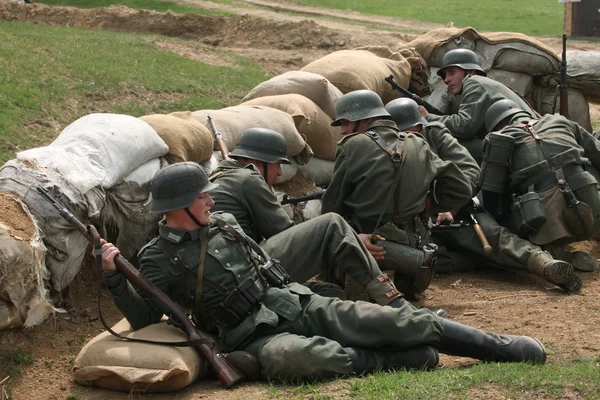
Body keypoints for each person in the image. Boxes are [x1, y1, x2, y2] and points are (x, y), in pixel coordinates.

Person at [101, 162, 546, 383]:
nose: (212, 201)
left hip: (294, 301)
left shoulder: (226, 224)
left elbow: (269, 261)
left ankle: (501, 348)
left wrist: (324, 290)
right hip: (252, 335)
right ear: (180, 207)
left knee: (391, 320)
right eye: (203, 197)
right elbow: (145, 319)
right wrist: (114, 276)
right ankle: (396, 360)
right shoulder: (158, 258)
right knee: (297, 359)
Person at [385, 98, 582, 293]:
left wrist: (449, 206)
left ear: (420, 128)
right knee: (426, 257)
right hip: (410, 222)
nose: (407, 140)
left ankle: (545, 264)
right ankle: (474, 262)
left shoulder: (435, 134)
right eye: (400, 134)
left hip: (452, 211)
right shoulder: (380, 148)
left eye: (411, 133)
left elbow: (470, 171)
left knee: (494, 238)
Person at [208, 127, 405, 307]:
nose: (278, 173)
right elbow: (286, 233)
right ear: (259, 162)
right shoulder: (247, 179)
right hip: (246, 275)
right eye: (277, 165)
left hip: (233, 278)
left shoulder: (218, 178)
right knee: (332, 223)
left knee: (331, 293)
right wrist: (349, 238)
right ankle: (393, 301)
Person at [321, 90, 473, 297]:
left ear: (366, 120)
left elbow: (333, 206)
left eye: (346, 123)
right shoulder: (418, 143)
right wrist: (427, 204)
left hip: (369, 245)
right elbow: (461, 188)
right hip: (412, 245)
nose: (342, 130)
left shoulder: (353, 145)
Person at [482, 98, 600, 273]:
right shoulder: (560, 121)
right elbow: (597, 153)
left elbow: (491, 198)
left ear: (498, 126)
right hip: (592, 204)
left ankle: (553, 251)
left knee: (493, 217)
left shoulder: (499, 138)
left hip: (548, 224)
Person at [423, 49, 537, 164]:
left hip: (524, 146)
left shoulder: (474, 82)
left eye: (452, 72)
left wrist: (428, 117)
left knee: (445, 142)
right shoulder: (483, 83)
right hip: (527, 142)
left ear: (470, 71)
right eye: (445, 75)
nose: (446, 79)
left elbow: (464, 126)